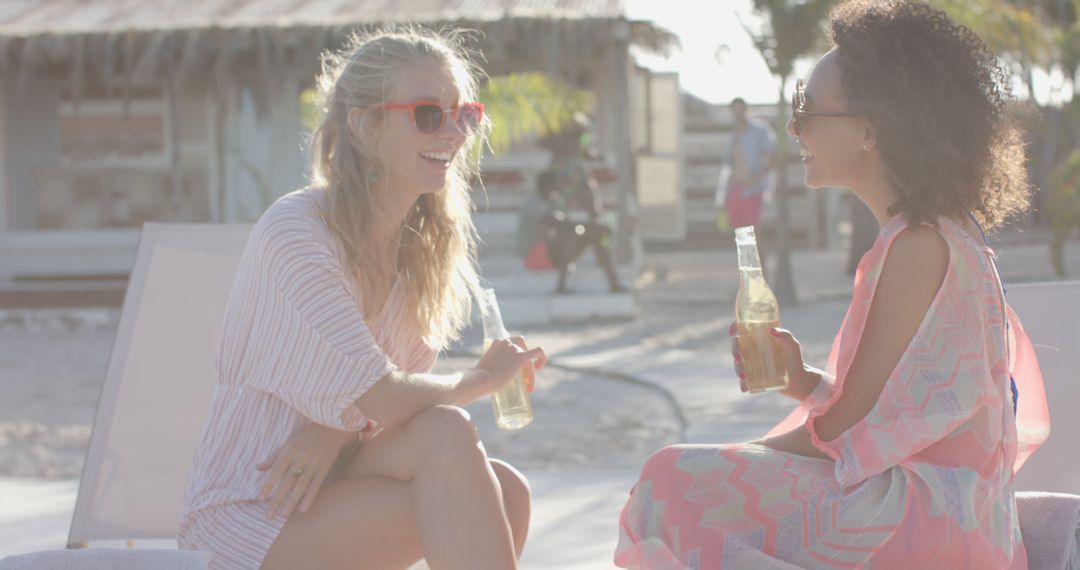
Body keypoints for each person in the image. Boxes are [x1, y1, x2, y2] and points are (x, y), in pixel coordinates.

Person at [615, 2, 1050, 568]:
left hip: (933, 525)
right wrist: (803, 382)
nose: (794, 126)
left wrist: (741, 454)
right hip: (956, 522)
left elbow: (849, 431)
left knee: (668, 479)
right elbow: (893, 413)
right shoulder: (943, 235)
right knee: (682, 477)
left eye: (808, 108)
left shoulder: (917, 247)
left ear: (870, 129)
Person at [179, 28, 547, 570]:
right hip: (247, 512)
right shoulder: (299, 232)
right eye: (427, 114)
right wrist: (484, 379)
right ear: (365, 124)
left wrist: (334, 429)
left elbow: (382, 406)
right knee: (459, 460)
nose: (452, 131)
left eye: (463, 114)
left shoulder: (419, 251)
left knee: (506, 488)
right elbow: (390, 398)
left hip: (330, 484)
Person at [541, 116, 626, 294]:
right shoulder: (555, 176)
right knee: (573, 234)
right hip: (558, 239)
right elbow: (552, 215)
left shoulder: (582, 177)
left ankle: (613, 282)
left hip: (579, 230)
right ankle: (561, 285)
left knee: (598, 236)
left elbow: (595, 213)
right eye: (576, 138)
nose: (579, 143)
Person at [716, 97, 777, 267]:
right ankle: (748, 279)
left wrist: (755, 179)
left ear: (746, 109)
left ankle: (765, 275)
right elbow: (728, 165)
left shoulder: (760, 130)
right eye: (734, 111)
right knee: (741, 237)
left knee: (755, 234)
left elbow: (772, 157)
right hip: (735, 190)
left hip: (753, 190)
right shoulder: (734, 134)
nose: (738, 114)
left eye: (740, 110)